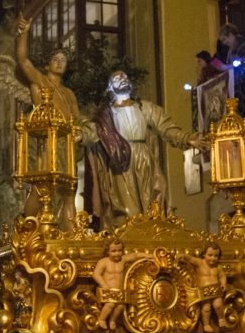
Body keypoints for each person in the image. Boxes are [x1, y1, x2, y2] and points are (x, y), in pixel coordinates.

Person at [82, 70, 206, 230]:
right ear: (109, 88)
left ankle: (151, 235)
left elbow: (166, 128)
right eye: (118, 78)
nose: (123, 80)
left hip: (145, 160)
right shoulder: (105, 116)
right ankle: (129, 238)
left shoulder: (145, 108)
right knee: (128, 211)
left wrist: (187, 138)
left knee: (151, 204)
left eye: (125, 77)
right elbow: (90, 132)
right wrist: (75, 134)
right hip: (121, 162)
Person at [15, 14, 81, 228]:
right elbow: (23, 60)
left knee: (70, 189)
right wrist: (24, 33)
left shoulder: (69, 93)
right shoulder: (41, 82)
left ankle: (71, 235)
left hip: (68, 145)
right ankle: (27, 223)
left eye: (64, 60)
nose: (60, 63)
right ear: (47, 65)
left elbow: (76, 120)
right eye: (56, 60)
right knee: (42, 188)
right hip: (49, 143)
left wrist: (79, 133)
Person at [92, 238, 151, 330]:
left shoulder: (123, 260)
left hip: (119, 290)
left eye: (119, 250)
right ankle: (102, 319)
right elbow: (96, 274)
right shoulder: (103, 262)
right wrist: (104, 285)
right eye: (113, 251)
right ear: (107, 251)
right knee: (111, 304)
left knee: (120, 306)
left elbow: (135, 255)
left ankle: (112, 320)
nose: (117, 253)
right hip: (106, 290)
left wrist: (147, 256)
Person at [178, 243, 227, 333]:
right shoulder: (200, 263)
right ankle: (206, 324)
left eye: (216, 256)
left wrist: (223, 284)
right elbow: (190, 259)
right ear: (204, 254)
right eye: (210, 255)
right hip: (204, 291)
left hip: (216, 289)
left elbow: (222, 276)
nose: (213, 258)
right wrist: (183, 256)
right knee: (206, 308)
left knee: (218, 305)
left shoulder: (218, 267)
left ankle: (221, 318)